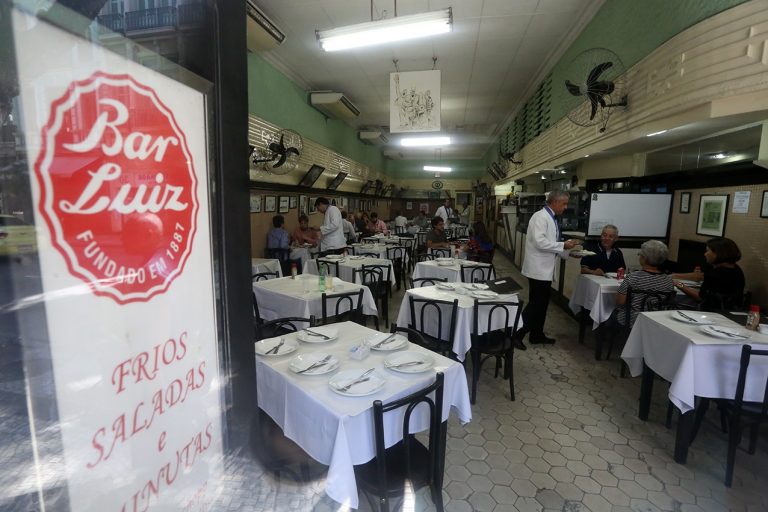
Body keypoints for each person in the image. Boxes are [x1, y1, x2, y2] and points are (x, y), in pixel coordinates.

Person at [515, 190, 579, 349]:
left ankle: (537, 335)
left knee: (542, 304)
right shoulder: (540, 217)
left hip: (544, 268)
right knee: (537, 304)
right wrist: (563, 245)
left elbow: (552, 242)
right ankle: (516, 334)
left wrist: (568, 252)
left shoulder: (551, 218)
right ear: (555, 202)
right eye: (564, 204)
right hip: (538, 269)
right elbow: (540, 242)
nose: (565, 207)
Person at [672, 237, 745, 311]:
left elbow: (700, 297)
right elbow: (699, 276)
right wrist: (675, 275)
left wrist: (679, 284)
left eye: (707, 251)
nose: (705, 254)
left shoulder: (716, 274)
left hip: (713, 311)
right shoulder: (736, 269)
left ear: (717, 253)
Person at [615, 240, 675, 327]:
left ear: (644, 258)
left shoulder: (632, 277)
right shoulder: (668, 280)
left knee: (610, 315)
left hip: (633, 320)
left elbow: (620, 301)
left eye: (640, 254)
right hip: (657, 322)